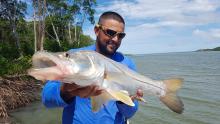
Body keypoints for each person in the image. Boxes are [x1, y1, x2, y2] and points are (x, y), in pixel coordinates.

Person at [42, 11, 142, 124]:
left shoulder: (127, 64)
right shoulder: (73, 57)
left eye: (120, 35)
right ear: (96, 30)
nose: (115, 39)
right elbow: (46, 99)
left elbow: (130, 113)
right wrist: (65, 92)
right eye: (110, 32)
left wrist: (124, 102)